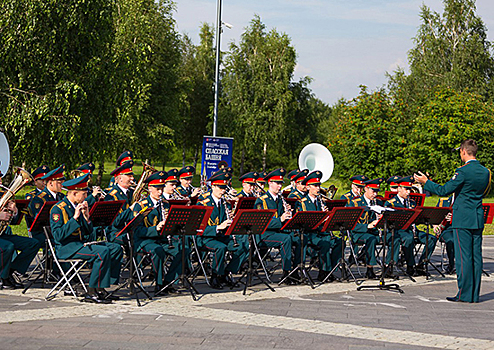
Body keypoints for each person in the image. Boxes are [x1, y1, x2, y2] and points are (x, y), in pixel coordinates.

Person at [414, 139, 491, 303]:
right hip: (477, 217)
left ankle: (464, 294)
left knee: (463, 257)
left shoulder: (462, 171)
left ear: (463, 151)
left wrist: (426, 183)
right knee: (476, 257)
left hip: (462, 218)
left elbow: (444, 191)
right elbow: (483, 192)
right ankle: (474, 294)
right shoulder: (486, 172)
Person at [50, 173, 123, 303]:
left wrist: (87, 217)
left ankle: (102, 286)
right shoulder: (58, 209)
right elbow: (58, 236)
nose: (86, 197)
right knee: (101, 253)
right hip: (67, 248)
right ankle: (91, 291)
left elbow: (88, 232)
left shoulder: (78, 206)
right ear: (74, 193)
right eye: (84, 194)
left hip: (80, 244)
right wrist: (75, 218)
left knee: (115, 248)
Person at [133, 171, 183, 295]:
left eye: (161, 189)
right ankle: (158, 283)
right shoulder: (141, 205)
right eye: (157, 189)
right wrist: (156, 228)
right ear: (150, 188)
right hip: (145, 240)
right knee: (157, 250)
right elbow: (137, 230)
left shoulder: (165, 204)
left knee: (183, 249)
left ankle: (169, 282)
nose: (160, 192)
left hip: (161, 239)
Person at [196, 171, 249, 289]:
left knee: (244, 246)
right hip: (206, 237)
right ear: (213, 186)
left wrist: (233, 221)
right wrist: (218, 227)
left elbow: (227, 224)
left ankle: (226, 272)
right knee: (220, 247)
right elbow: (198, 228)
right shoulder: (203, 203)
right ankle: (215, 276)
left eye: (224, 188)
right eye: (220, 187)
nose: (223, 191)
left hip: (221, 236)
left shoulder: (225, 203)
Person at [346, 178, 401, 279]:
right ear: (366, 189)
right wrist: (367, 226)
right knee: (370, 239)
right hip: (359, 233)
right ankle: (369, 269)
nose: (375, 194)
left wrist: (382, 219)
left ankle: (388, 267)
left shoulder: (378, 203)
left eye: (377, 191)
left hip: (375, 232)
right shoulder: (355, 203)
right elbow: (349, 224)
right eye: (373, 191)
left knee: (395, 238)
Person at [384, 175, 437, 276]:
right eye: (406, 189)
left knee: (431, 238)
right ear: (399, 189)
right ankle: (410, 266)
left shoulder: (412, 202)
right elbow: (389, 222)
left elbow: (418, 218)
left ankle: (422, 264)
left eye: (410, 189)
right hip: (399, 231)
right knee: (408, 238)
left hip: (412, 230)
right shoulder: (391, 203)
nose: (408, 192)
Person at [295, 171, 342, 282]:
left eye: (319, 185)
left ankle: (328, 270)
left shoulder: (321, 202)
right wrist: (321, 219)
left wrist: (328, 217)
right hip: (310, 234)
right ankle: (323, 272)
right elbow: (302, 223)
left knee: (340, 242)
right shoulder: (302, 203)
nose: (318, 188)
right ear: (308, 187)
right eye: (315, 186)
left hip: (322, 233)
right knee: (324, 243)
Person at [254, 168, 296, 284]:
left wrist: (288, 214)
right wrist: (280, 219)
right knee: (286, 239)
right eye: (277, 183)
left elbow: (283, 220)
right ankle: (286, 273)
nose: (279, 186)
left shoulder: (280, 199)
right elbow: (261, 222)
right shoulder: (261, 201)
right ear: (270, 183)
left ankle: (296, 271)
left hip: (277, 232)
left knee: (299, 237)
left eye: (281, 183)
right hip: (264, 234)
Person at [0, 200, 40, 289]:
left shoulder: (2, 196)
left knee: (32, 244)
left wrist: (13, 212)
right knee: (8, 246)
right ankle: (3, 277)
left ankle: (9, 271)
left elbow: (13, 223)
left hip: (2, 235)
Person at [28, 165, 66, 247]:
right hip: (44, 232)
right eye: (59, 183)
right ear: (50, 183)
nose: (62, 185)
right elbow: (41, 221)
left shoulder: (62, 196)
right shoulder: (39, 199)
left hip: (57, 231)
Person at [434, 195, 455, 274]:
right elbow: (435, 216)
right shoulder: (443, 201)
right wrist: (435, 226)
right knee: (451, 240)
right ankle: (451, 265)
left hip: (461, 228)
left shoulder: (465, 201)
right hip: (447, 230)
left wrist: (454, 218)